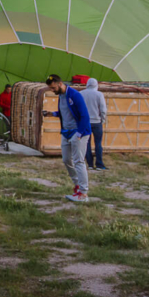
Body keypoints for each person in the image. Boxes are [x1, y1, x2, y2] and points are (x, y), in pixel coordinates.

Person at [42, 74, 92, 202]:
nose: (52, 91)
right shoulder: (61, 96)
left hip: (78, 133)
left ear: (60, 84)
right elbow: (65, 113)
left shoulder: (75, 95)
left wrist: (79, 135)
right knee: (66, 160)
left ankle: (83, 193)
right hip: (66, 132)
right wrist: (51, 113)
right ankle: (77, 185)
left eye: (53, 88)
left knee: (78, 161)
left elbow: (85, 116)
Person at [81, 78, 108, 171]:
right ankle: (99, 164)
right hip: (97, 122)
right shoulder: (99, 94)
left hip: (85, 122)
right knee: (98, 143)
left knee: (86, 143)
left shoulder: (81, 94)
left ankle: (90, 165)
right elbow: (103, 109)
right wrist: (102, 120)